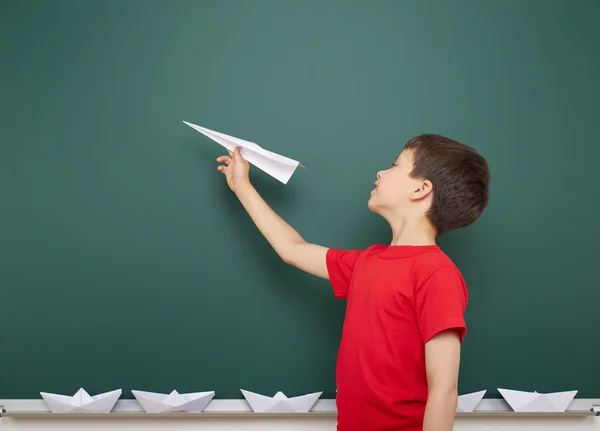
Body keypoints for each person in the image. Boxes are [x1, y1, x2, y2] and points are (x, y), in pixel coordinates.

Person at [216, 134, 490, 431]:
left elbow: (444, 389)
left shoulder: (436, 272)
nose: (381, 172)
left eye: (395, 165)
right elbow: (293, 250)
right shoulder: (367, 262)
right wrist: (242, 186)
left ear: (421, 189)